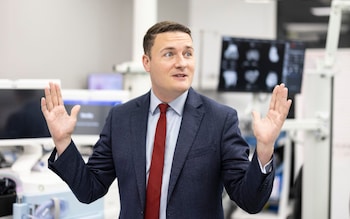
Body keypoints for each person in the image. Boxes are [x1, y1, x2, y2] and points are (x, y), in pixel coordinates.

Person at [41, 21, 292, 219]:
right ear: (147, 62)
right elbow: (89, 189)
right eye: (169, 54)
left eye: (188, 53)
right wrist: (63, 142)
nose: (182, 63)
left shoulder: (220, 120)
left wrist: (264, 149)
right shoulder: (121, 118)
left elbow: (250, 201)